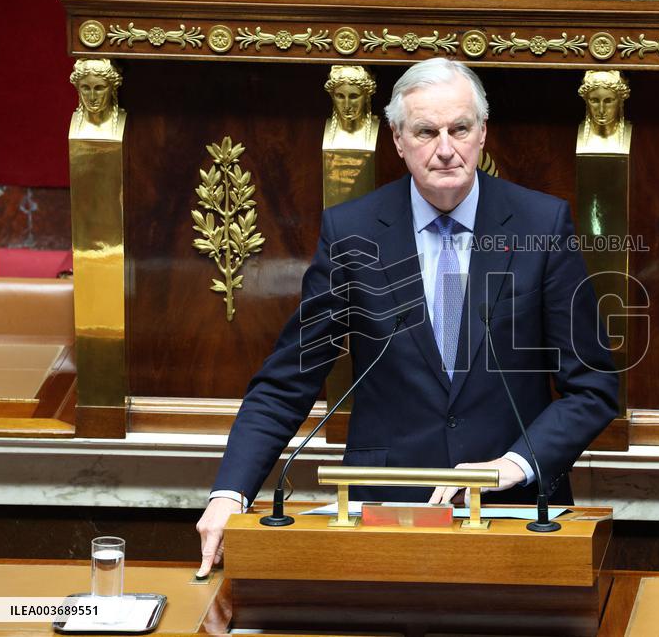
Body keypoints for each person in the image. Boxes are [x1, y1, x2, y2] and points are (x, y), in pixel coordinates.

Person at [196, 58, 619, 576]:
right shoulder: (353, 233)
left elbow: (593, 387)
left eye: (459, 129)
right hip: (383, 513)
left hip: (512, 511)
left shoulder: (541, 224)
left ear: (482, 133)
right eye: (425, 132)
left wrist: (514, 462)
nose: (446, 149)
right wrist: (230, 492)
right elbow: (288, 381)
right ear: (397, 139)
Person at [322, 65, 379, 151]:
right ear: (332, 96)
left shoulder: (375, 127)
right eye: (340, 96)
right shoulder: (329, 131)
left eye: (354, 96)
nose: (347, 105)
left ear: (367, 96)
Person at [576, 70, 631, 154]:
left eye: (608, 101)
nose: (601, 110)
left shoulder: (632, 133)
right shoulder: (578, 134)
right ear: (586, 100)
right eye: (594, 101)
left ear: (620, 100)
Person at [69, 58, 125, 138]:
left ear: (113, 88)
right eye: (86, 88)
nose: (92, 97)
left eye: (99, 88)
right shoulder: (76, 125)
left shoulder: (121, 121)